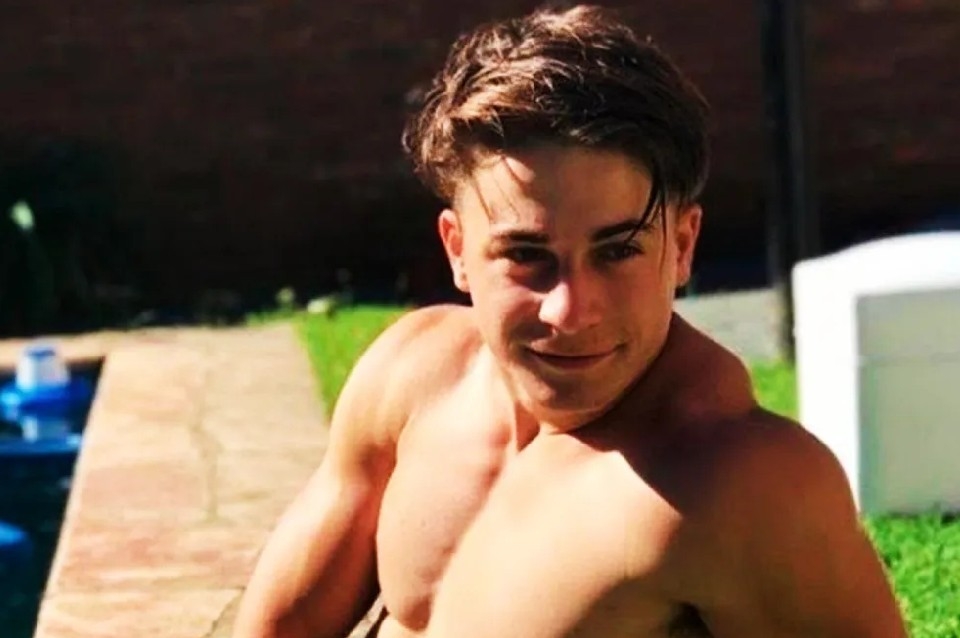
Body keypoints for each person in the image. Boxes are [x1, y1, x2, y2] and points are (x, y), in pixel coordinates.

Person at [232, 5, 908, 637]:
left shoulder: (742, 482)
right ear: (458, 251)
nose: (569, 311)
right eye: (526, 255)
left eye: (617, 251)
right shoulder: (411, 377)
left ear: (681, 246)